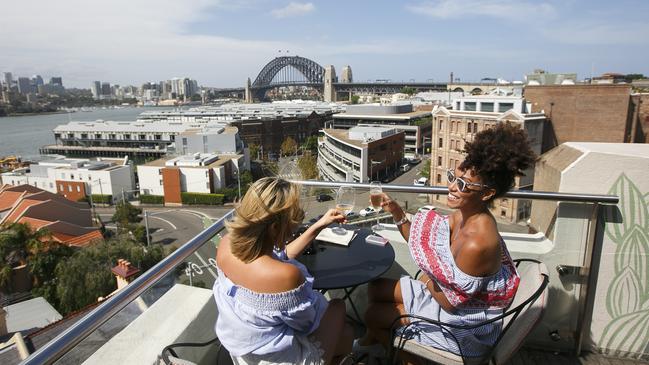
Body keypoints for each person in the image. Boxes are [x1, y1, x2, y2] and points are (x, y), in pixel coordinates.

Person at [356, 123, 536, 360]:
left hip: (461, 327)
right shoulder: (464, 214)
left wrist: (428, 276)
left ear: (487, 193)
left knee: (374, 315)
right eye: (454, 177)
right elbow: (422, 240)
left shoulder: (478, 243)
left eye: (462, 184)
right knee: (376, 288)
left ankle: (407, 356)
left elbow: (450, 304)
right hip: (446, 296)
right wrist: (396, 211)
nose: (451, 187)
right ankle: (380, 344)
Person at [213, 177, 354, 364]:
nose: (294, 228)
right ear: (274, 228)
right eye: (292, 222)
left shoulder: (226, 245)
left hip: (246, 354)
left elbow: (277, 258)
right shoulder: (287, 276)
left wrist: (318, 225)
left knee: (340, 334)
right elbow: (306, 325)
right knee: (339, 310)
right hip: (281, 359)